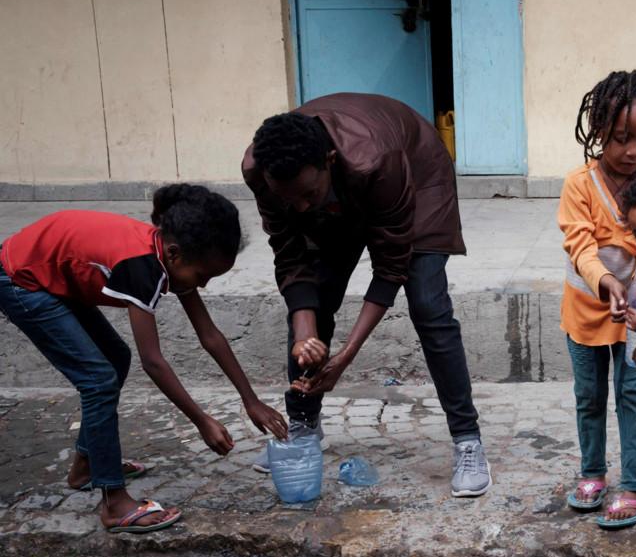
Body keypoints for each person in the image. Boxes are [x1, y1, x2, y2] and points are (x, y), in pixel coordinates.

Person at [243, 93, 493, 498]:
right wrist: (307, 334)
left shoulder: (376, 159)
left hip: (417, 176)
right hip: (344, 193)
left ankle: (467, 439)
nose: (301, 208)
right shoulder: (264, 171)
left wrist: (346, 355)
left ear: (328, 160)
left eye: (307, 194)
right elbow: (291, 259)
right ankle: (304, 425)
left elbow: (391, 265)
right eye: (290, 200)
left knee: (428, 304)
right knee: (316, 296)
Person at [0, 185, 287, 534]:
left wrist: (251, 400)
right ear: (175, 254)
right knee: (98, 379)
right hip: (20, 279)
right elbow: (152, 361)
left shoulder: (168, 254)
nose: (205, 286)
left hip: (52, 274)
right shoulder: (140, 266)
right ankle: (114, 502)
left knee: (115, 359)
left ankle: (86, 467)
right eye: (202, 277)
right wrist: (201, 420)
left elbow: (209, 335)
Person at [558, 70, 636, 528]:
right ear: (598, 129)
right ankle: (593, 473)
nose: (633, 152)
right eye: (621, 138)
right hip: (586, 311)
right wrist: (606, 281)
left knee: (633, 394)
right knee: (589, 395)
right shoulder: (578, 186)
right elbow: (580, 246)